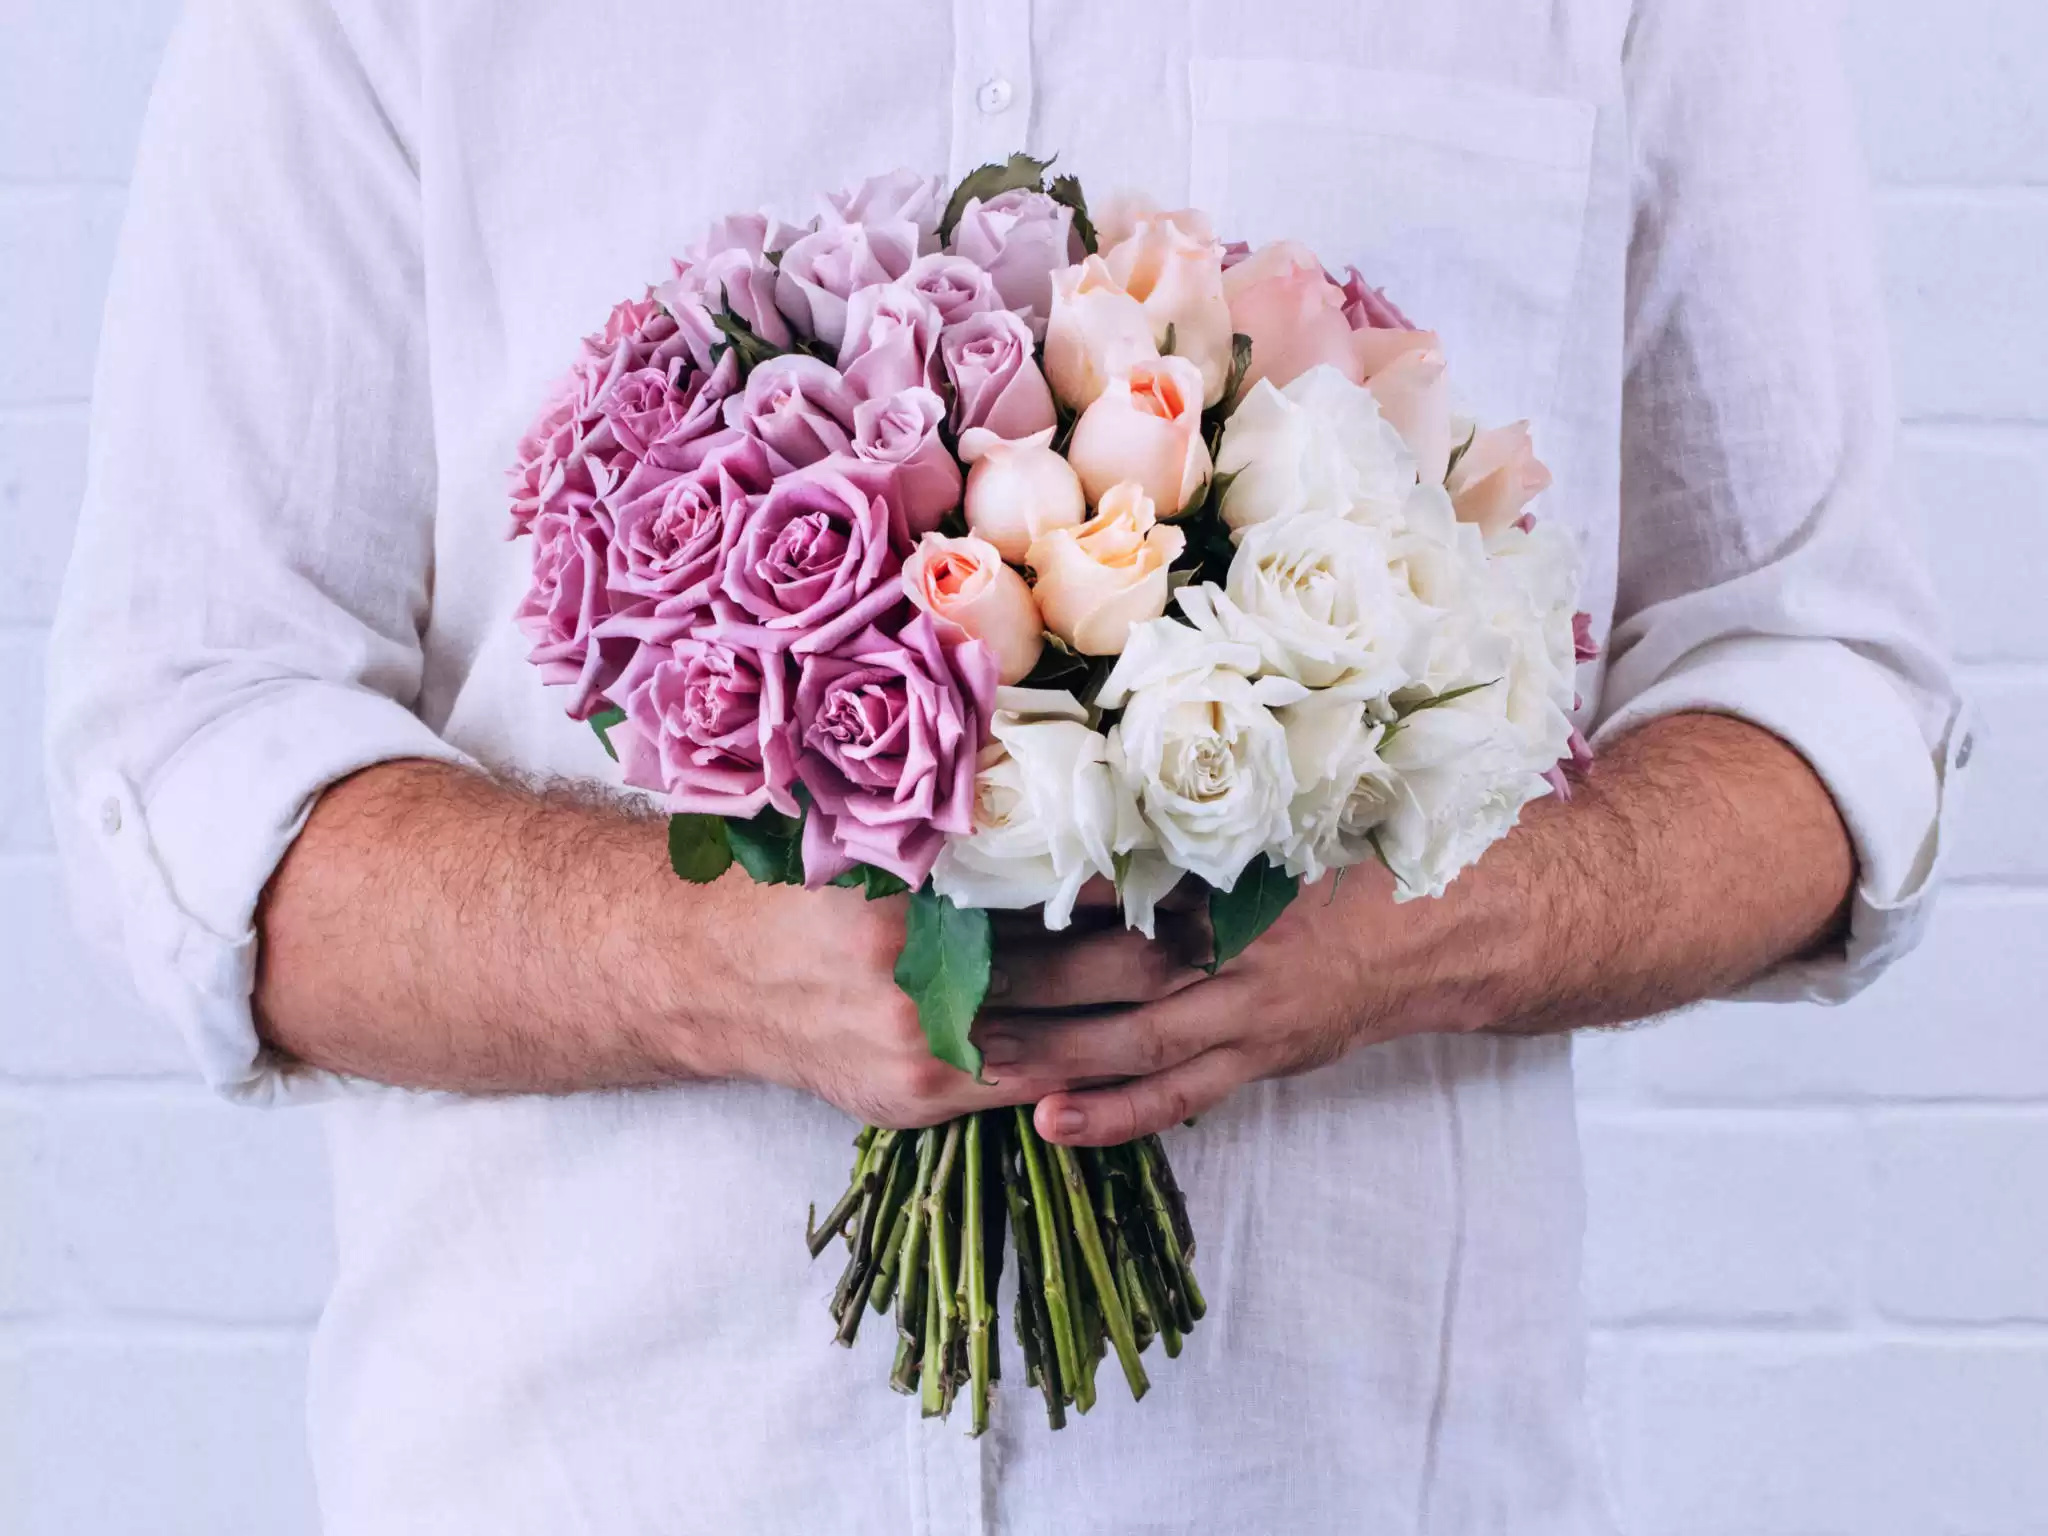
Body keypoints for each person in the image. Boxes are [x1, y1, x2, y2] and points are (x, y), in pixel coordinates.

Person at [46, 1, 1963, 1531]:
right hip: (583, 1480)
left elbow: (1822, 688)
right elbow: (192, 749)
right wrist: (702, 958)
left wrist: (1407, 935)